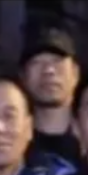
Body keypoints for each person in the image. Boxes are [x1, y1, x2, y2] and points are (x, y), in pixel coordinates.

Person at [19, 28, 83, 164]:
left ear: (75, 73)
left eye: (57, 61)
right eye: (36, 62)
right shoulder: (11, 144)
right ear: (23, 76)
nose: (48, 70)